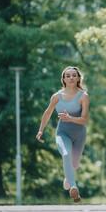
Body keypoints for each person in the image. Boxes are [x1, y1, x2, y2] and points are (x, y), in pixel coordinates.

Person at [36, 66, 89, 203]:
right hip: (63, 133)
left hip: (79, 134)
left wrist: (70, 118)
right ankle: (73, 187)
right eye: (68, 76)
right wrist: (41, 130)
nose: (71, 78)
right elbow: (48, 112)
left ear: (78, 78)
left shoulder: (83, 96)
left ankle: (68, 177)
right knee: (66, 154)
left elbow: (84, 120)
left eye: (73, 75)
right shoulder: (57, 96)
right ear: (63, 79)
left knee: (75, 165)